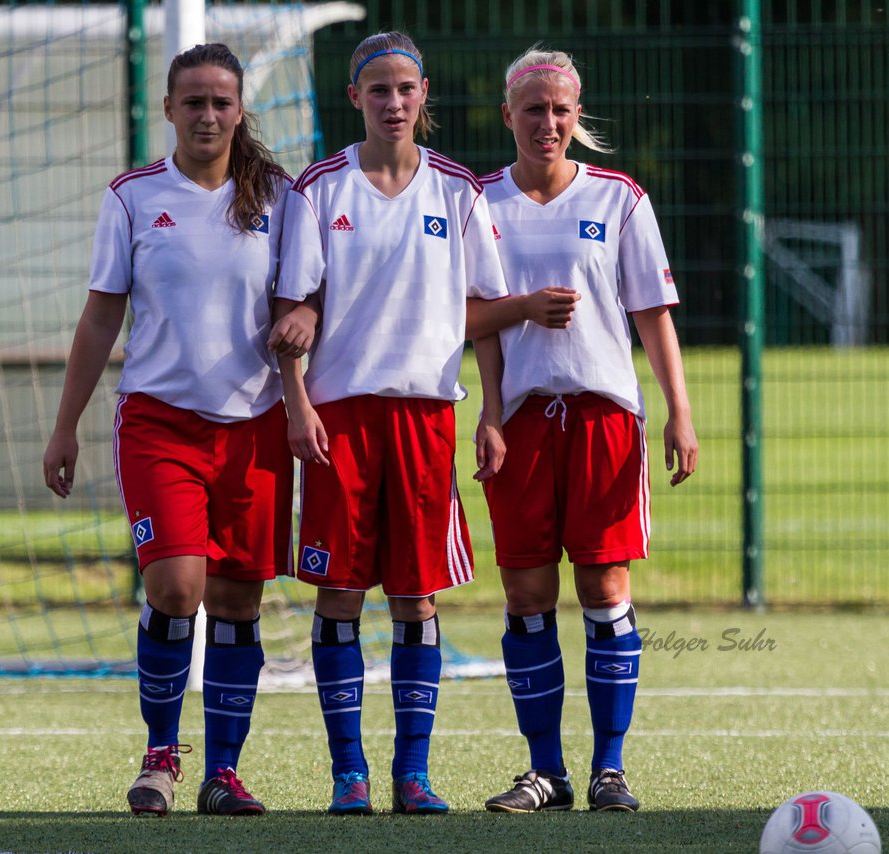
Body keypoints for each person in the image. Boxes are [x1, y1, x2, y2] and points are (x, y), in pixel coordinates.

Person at [43, 43, 316, 817]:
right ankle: (161, 755)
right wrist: (64, 427)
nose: (207, 115)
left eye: (221, 102)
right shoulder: (132, 198)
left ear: (239, 111)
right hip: (161, 422)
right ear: (168, 109)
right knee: (176, 586)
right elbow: (101, 317)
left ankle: (222, 773)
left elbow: (306, 299)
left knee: (237, 601)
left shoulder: (279, 196)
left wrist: (303, 324)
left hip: (255, 423)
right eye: (192, 101)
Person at [272, 31, 509, 816]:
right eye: (379, 89)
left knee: (415, 597)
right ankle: (349, 774)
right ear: (356, 98)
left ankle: (413, 773)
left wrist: (493, 415)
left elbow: (484, 315)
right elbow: (291, 308)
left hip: (426, 419)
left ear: (425, 93)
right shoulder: (318, 189)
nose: (394, 102)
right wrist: (298, 401)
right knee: (338, 590)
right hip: (339, 419)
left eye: (406, 89)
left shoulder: (457, 189)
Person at [469, 47, 699, 814]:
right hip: (524, 421)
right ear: (509, 115)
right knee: (527, 591)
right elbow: (477, 327)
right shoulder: (481, 205)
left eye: (561, 109)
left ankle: (609, 769)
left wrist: (680, 410)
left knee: (603, 585)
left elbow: (652, 316)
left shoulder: (620, 200)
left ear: (578, 115)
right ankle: (545, 771)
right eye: (533, 109)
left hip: (604, 416)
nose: (548, 122)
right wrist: (492, 415)